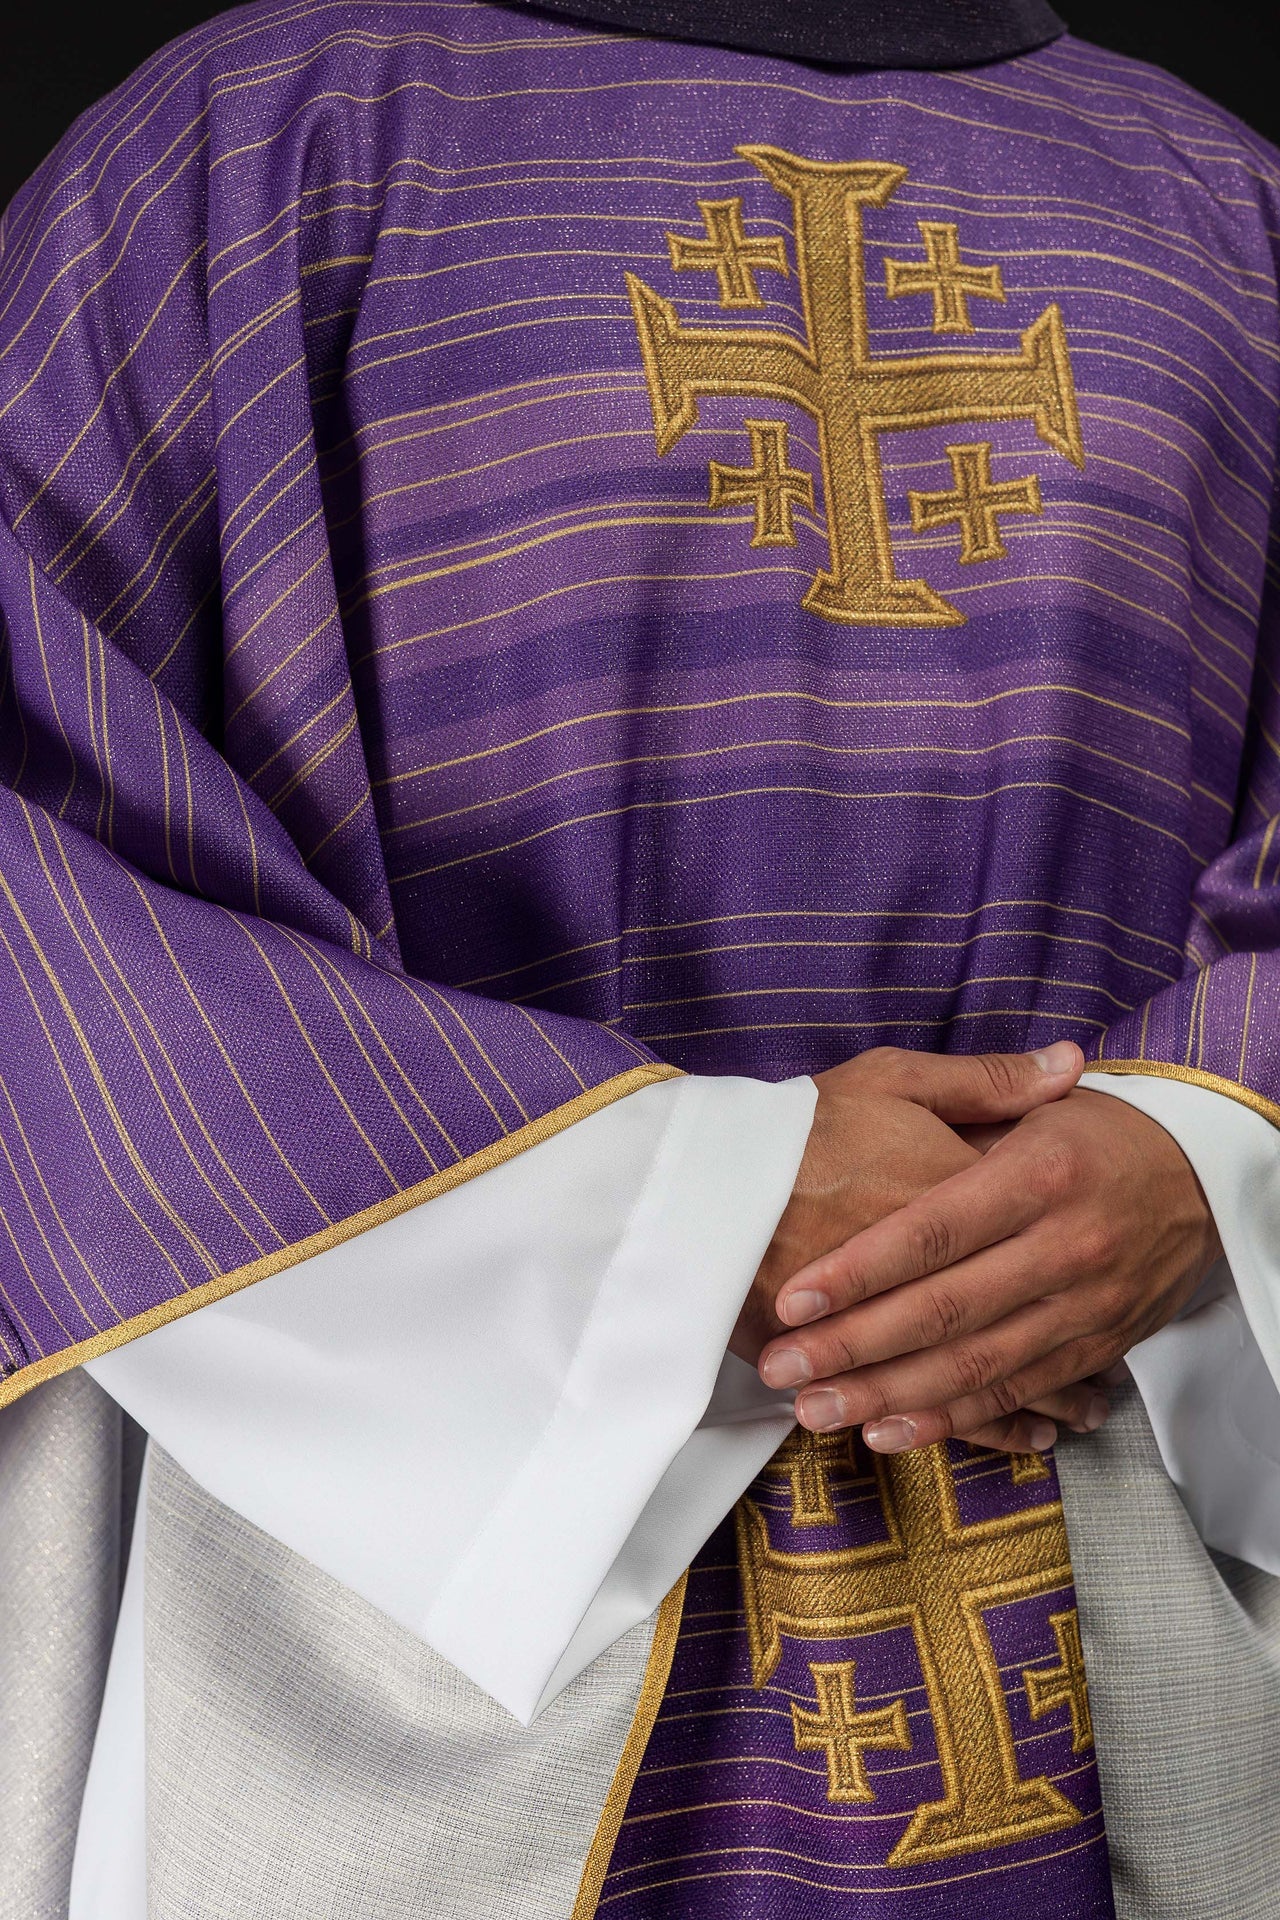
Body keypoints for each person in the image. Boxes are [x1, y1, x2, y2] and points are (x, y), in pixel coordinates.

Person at [1, 0, 1278, 1914]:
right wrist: (676, 1213)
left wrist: (1212, 1155)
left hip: (1131, 1494)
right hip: (392, 1604)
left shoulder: (1221, 209)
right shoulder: (249, 154)